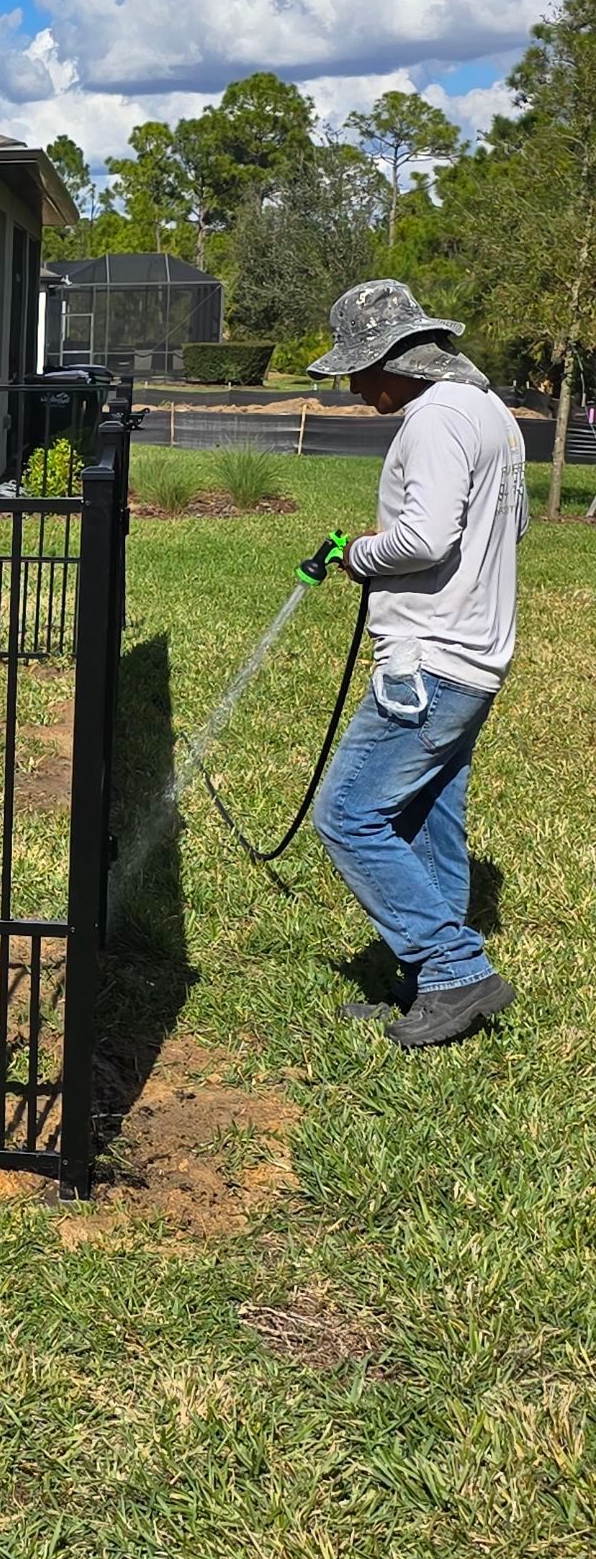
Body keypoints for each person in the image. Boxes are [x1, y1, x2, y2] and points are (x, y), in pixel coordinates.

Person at [305, 279, 528, 1048]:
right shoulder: (492, 413)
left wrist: (359, 554)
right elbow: (510, 528)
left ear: (400, 358)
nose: (359, 389)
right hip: (478, 652)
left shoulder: (434, 419)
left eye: (361, 372)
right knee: (430, 823)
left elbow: (425, 540)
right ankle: (428, 987)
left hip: (429, 659)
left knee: (349, 815)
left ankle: (454, 968)